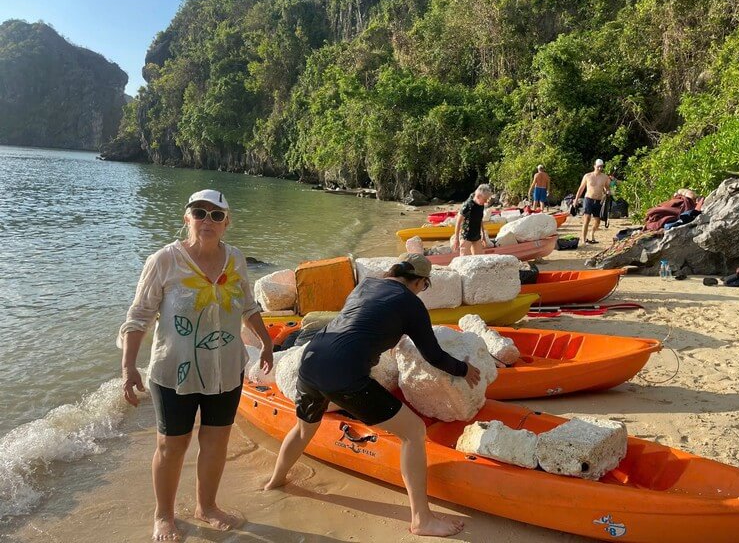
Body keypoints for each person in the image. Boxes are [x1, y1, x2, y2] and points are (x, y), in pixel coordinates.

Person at [264, 253, 481, 537]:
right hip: (343, 374)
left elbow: (360, 324)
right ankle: (422, 520)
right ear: (419, 281)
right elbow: (434, 355)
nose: (421, 292)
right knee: (413, 432)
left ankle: (275, 481)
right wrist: (464, 369)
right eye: (424, 286)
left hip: (311, 360)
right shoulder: (410, 303)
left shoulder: (365, 285)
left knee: (305, 428)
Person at [119, 189, 275, 542]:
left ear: (226, 223)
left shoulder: (235, 258)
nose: (208, 220)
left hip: (226, 368)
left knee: (216, 440)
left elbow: (248, 306)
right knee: (171, 445)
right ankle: (164, 516)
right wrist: (128, 367)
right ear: (186, 217)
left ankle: (207, 506)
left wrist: (266, 341)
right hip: (175, 372)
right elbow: (139, 317)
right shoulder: (164, 260)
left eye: (216, 215)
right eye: (200, 212)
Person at [573, 159, 611, 245]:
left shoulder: (605, 177)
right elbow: (581, 188)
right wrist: (576, 200)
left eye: (601, 166)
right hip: (588, 199)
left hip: (598, 200)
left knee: (597, 221)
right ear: (594, 166)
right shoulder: (587, 176)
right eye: (598, 166)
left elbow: (607, 187)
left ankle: (592, 233)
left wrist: (608, 191)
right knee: (587, 218)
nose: (600, 168)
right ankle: (583, 239)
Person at [453, 184, 492, 256]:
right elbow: (458, 222)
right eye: (485, 199)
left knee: (479, 259)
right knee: (465, 260)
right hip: (466, 237)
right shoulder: (467, 205)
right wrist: (456, 239)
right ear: (478, 196)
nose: (486, 202)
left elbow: (480, 219)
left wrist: (483, 234)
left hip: (477, 236)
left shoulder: (481, 205)